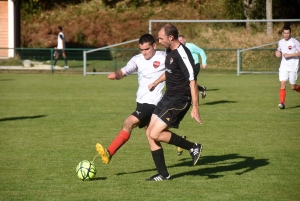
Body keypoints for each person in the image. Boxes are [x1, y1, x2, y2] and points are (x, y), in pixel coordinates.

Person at [95, 34, 166, 164]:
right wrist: (116, 75)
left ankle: (109, 152)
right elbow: (124, 72)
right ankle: (184, 145)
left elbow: (175, 71)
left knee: (128, 122)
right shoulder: (137, 59)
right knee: (153, 136)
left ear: (154, 46)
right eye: (141, 49)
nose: (144, 52)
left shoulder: (163, 57)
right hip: (141, 102)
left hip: (153, 102)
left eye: (146, 49)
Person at [145, 23, 203, 181]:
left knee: (155, 133)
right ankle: (163, 174)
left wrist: (195, 107)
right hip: (168, 97)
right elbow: (170, 72)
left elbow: (192, 80)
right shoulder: (169, 50)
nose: (159, 41)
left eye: (161, 38)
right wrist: (156, 82)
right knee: (149, 134)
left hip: (179, 99)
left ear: (171, 37)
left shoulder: (182, 54)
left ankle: (193, 147)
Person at [275, 26, 300, 109]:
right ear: (282, 33)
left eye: (288, 33)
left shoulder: (295, 42)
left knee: (293, 87)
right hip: (284, 66)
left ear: (290, 33)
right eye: (284, 33)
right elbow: (279, 50)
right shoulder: (280, 42)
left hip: (293, 66)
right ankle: (282, 103)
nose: (286, 35)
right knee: (282, 83)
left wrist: (290, 55)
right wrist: (277, 52)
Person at [178, 35, 207, 99]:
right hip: (187, 68)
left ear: (184, 40)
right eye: (178, 41)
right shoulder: (179, 48)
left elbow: (201, 51)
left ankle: (193, 100)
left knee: (191, 82)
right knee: (188, 82)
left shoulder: (191, 46)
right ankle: (202, 89)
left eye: (181, 40)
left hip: (195, 66)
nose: (180, 42)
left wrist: (204, 63)